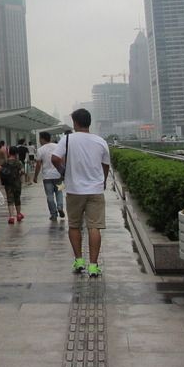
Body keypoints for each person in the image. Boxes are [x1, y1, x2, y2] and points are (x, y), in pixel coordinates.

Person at [51, 108, 111, 278]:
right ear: (89, 122)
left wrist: (64, 171)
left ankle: (79, 261)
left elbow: (55, 158)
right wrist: (103, 180)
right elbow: (106, 164)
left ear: (75, 123)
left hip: (74, 190)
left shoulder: (67, 139)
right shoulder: (100, 141)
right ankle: (93, 266)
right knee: (94, 227)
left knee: (74, 225)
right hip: (95, 190)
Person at [35, 131, 65, 221]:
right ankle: (60, 207)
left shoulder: (40, 150)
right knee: (59, 192)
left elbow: (38, 165)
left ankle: (53, 214)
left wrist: (35, 176)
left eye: (40, 138)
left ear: (42, 139)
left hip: (47, 177)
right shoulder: (57, 147)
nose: (39, 140)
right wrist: (63, 173)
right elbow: (62, 160)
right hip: (59, 176)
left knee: (49, 195)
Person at [0, 146, 25, 224]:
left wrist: (6, 172)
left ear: (9, 152)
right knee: (17, 198)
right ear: (16, 153)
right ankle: (18, 215)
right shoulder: (18, 162)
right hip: (17, 183)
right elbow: (22, 171)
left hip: (8, 183)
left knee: (10, 199)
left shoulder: (5, 162)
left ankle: (11, 217)